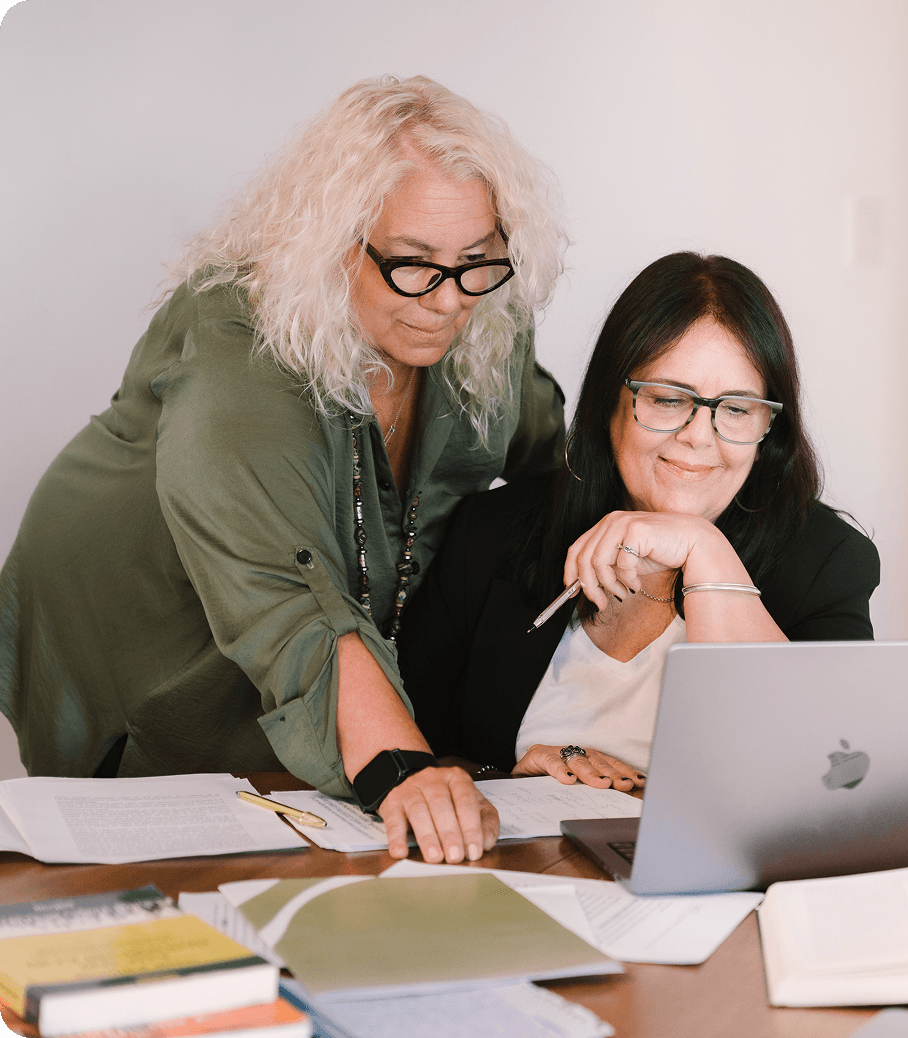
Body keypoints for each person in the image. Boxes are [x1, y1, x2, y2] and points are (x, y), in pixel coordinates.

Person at [0, 76, 568, 863]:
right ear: (333, 243)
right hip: (154, 629)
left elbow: (556, 472)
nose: (448, 301)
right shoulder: (243, 337)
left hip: (329, 642)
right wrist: (404, 767)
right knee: (184, 869)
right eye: (412, 264)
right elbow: (289, 590)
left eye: (477, 261)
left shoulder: (481, 316)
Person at [398, 252, 880, 790]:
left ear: (770, 426)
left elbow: (829, 776)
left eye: (737, 409)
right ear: (611, 402)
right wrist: (506, 776)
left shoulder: (829, 562)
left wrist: (703, 548)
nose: (700, 436)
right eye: (669, 400)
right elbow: (408, 747)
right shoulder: (493, 533)